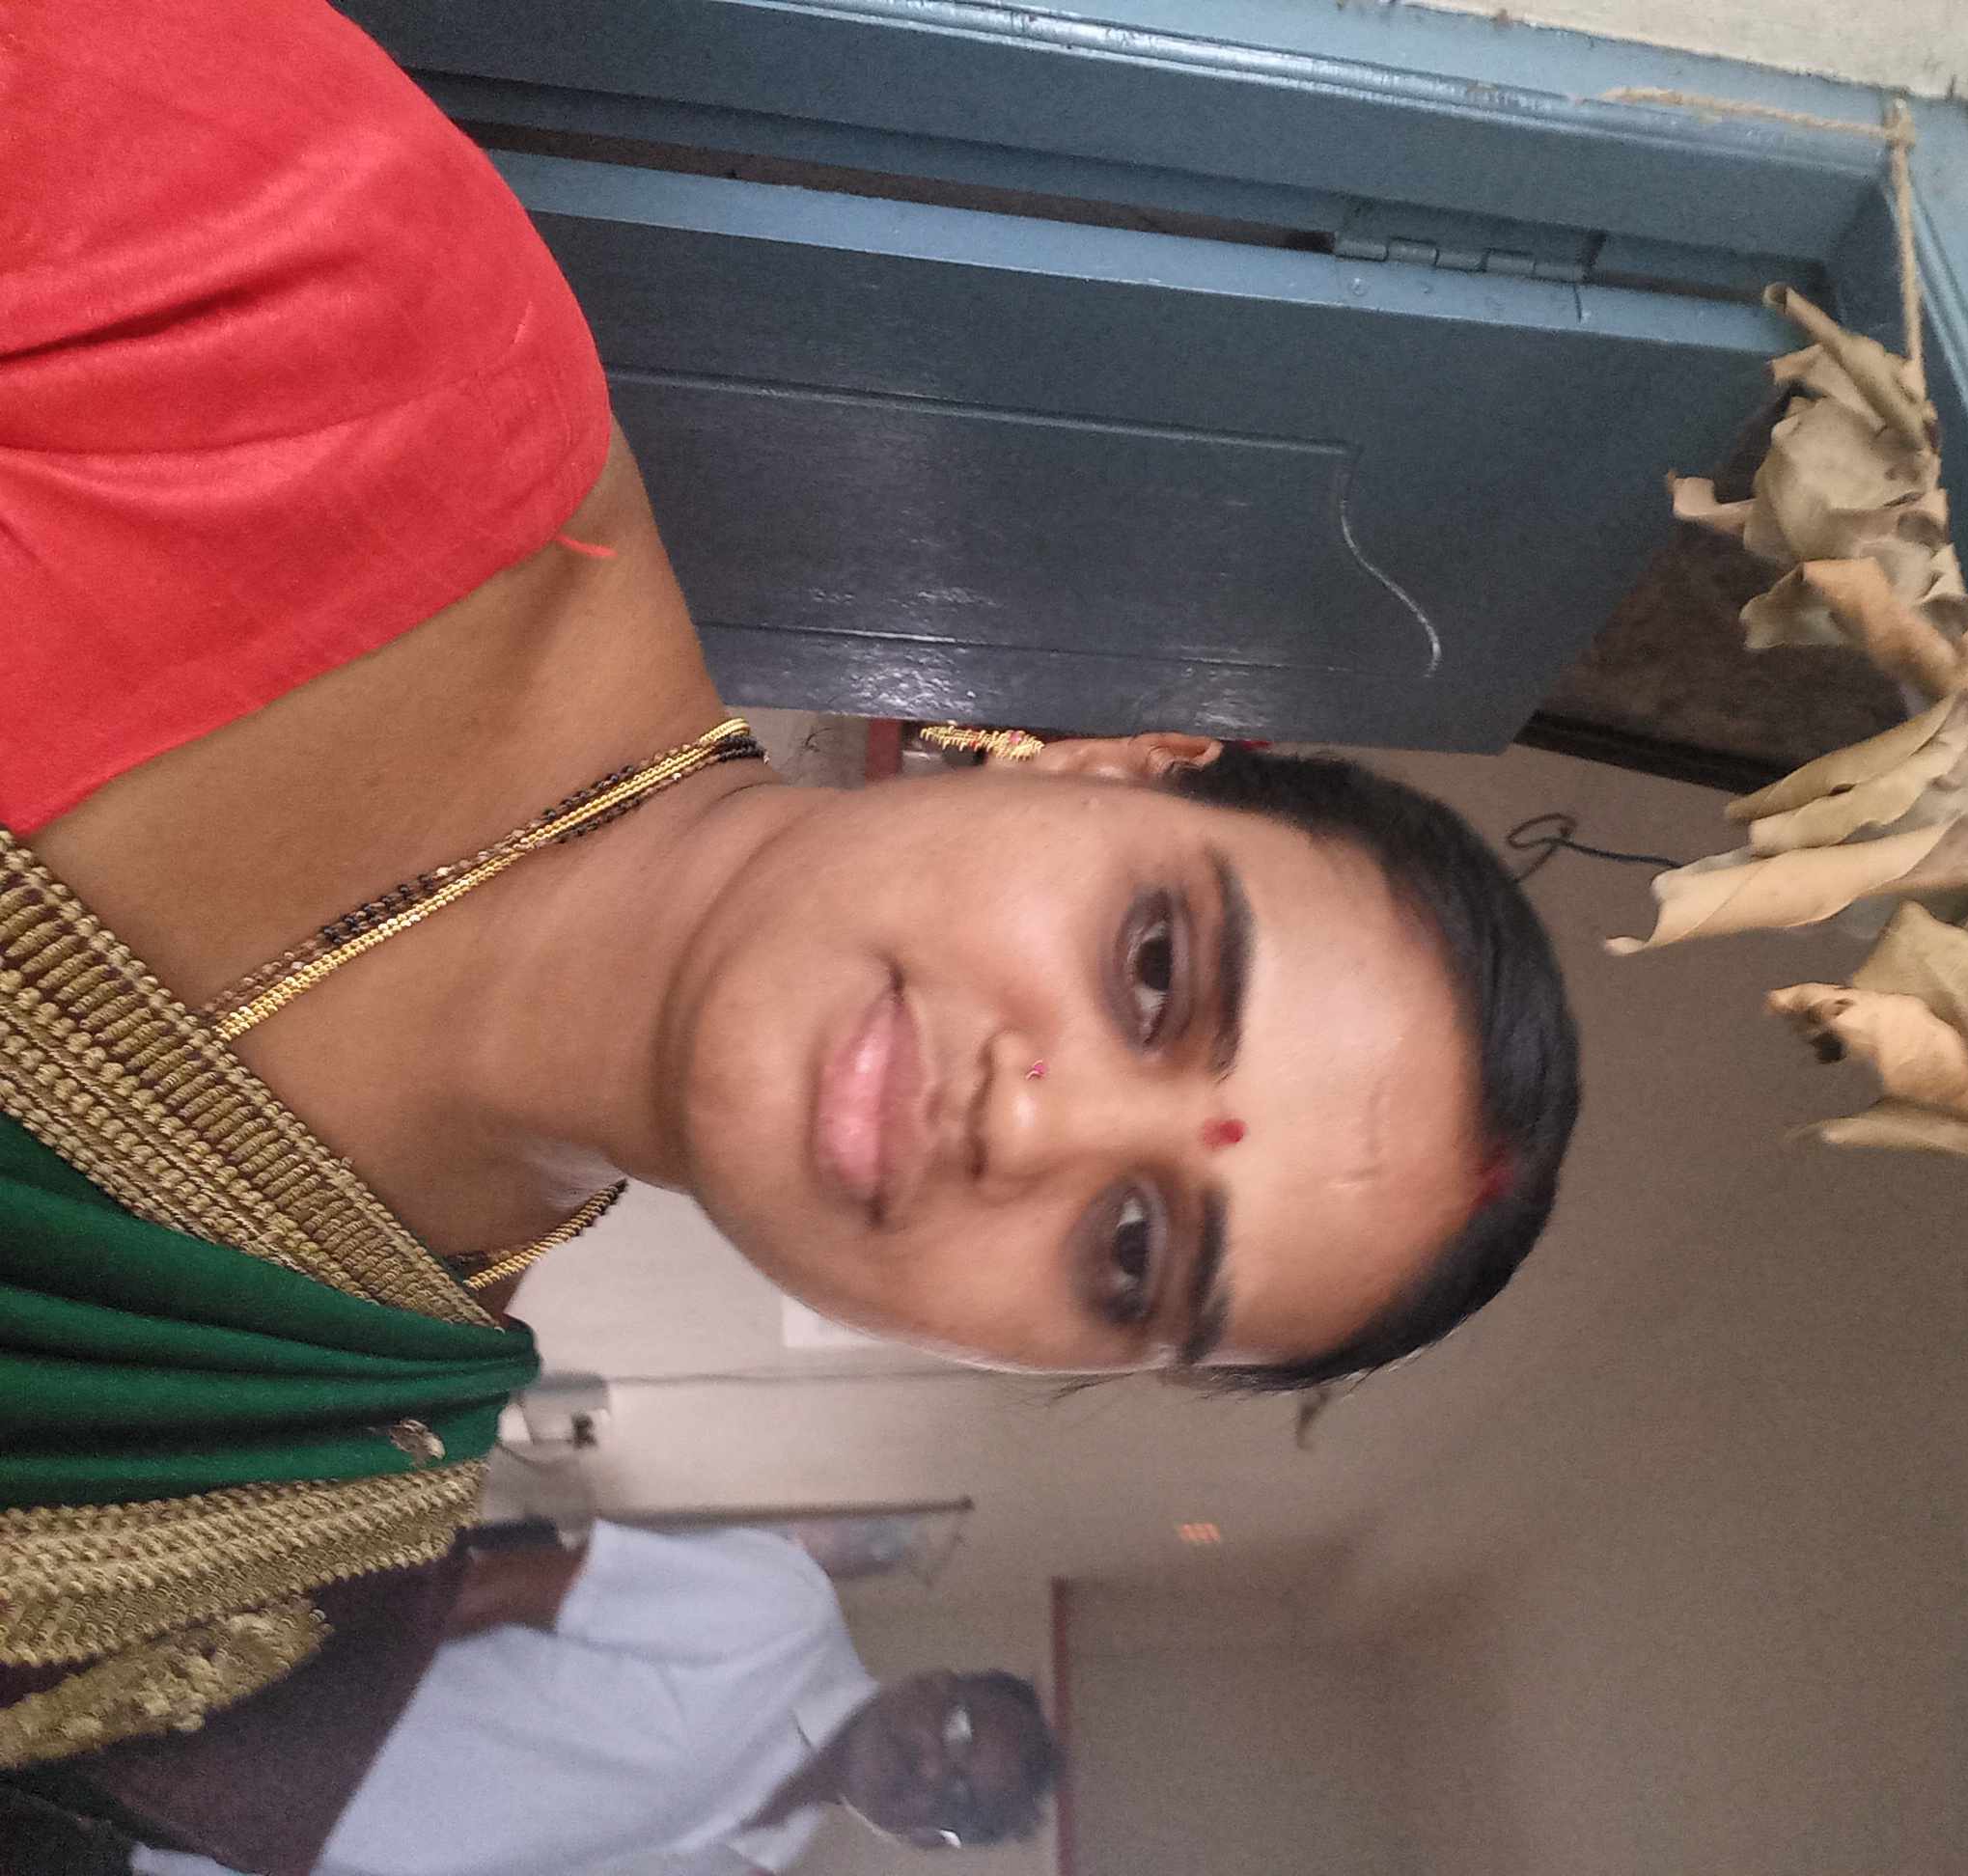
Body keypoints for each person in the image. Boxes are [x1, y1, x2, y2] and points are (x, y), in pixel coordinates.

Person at [0, 0, 1577, 1864]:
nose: (1032, 1121)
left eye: (1131, 1247)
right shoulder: (333, 299)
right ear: (1106, 761)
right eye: (1157, 968)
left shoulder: (269, 1548)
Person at [125, 1522, 1057, 1876]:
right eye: (959, 1732)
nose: (933, 1771)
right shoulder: (783, 1615)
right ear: (935, 1681)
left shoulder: (758, 1861)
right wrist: (237, 1673)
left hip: (219, 1862)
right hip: (226, 1735)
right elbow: (484, 1590)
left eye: (959, 1806)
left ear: (925, 1842)